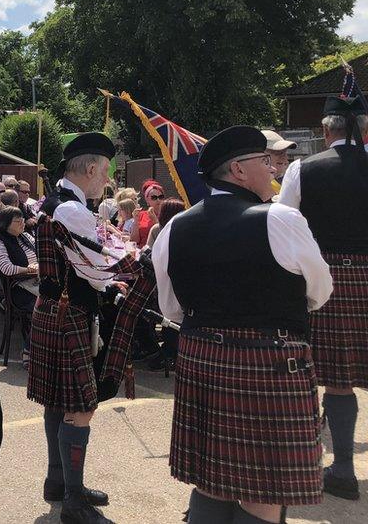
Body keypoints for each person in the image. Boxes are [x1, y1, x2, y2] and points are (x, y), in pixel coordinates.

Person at [153, 125, 332, 523]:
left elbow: (172, 308)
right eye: (265, 161)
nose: (273, 171)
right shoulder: (281, 219)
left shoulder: (172, 229)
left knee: (210, 480)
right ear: (237, 169)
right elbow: (319, 293)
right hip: (270, 364)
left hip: (202, 358)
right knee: (263, 493)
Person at [29, 132, 137, 524]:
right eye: (105, 172)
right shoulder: (71, 210)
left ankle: (58, 482)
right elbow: (96, 268)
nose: (106, 180)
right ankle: (73, 501)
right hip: (68, 314)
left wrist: (105, 281)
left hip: (54, 311)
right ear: (91, 168)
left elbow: (78, 262)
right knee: (80, 405)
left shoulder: (57, 202)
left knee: (59, 401)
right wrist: (127, 272)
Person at [279, 96, 368, 501]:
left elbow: (284, 226)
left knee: (337, 381)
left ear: (326, 130)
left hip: (327, 280)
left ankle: (344, 470)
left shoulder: (302, 169)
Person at [0, 205, 39, 368]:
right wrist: (29, 269)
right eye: (17, 221)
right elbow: (6, 268)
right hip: (18, 289)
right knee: (46, 308)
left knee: (59, 303)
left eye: (23, 220)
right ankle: (28, 349)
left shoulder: (26, 237)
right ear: (6, 224)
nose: (22, 224)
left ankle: (44, 349)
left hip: (35, 284)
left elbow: (41, 253)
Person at [132, 180, 164, 246]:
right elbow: (134, 241)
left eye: (161, 197)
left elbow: (164, 237)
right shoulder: (141, 214)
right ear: (147, 200)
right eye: (154, 197)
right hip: (142, 252)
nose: (158, 200)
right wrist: (136, 221)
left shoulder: (167, 214)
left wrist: (155, 220)